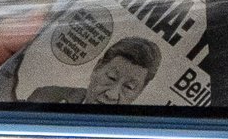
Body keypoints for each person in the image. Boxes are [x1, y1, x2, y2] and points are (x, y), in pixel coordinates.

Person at [26, 37, 162, 104]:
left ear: (140, 91)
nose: (112, 95)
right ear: (97, 68)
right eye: (111, 77)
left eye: (128, 87)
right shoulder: (45, 98)